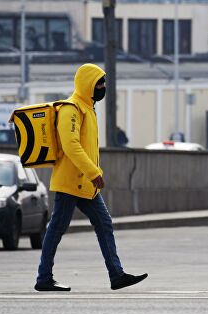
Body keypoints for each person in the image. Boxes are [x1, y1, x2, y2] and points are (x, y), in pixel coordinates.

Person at [34, 63, 147, 292]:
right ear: (87, 84)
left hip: (84, 184)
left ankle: (116, 275)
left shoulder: (88, 108)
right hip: (70, 182)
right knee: (56, 228)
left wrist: (90, 176)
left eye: (103, 83)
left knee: (103, 224)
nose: (103, 87)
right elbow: (70, 145)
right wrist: (94, 172)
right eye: (99, 83)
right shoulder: (71, 109)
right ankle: (43, 278)